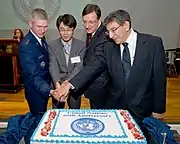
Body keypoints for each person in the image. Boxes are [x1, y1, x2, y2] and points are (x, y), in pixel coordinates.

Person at [56, 9, 167, 129]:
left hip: (142, 109)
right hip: (115, 108)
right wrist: (69, 85)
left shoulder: (152, 44)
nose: (110, 35)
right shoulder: (109, 47)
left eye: (113, 30)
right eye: (108, 31)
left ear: (126, 25)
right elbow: (93, 67)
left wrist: (159, 109)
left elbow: (159, 79)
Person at [19, 8, 56, 115]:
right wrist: (50, 91)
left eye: (45, 27)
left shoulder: (40, 38)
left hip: (44, 88)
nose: (43, 30)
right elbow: (33, 75)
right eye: (39, 26)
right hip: (35, 92)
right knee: (37, 122)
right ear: (31, 24)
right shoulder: (26, 45)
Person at [48, 14, 86, 109]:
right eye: (62, 29)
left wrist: (66, 84)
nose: (65, 33)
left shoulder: (81, 45)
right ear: (58, 30)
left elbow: (78, 67)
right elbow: (53, 66)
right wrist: (59, 88)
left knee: (75, 113)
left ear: (73, 29)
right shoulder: (51, 45)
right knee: (56, 113)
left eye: (68, 29)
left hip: (73, 86)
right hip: (58, 86)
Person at [80, 4, 109, 109]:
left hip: (102, 88)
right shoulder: (91, 31)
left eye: (91, 22)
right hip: (93, 86)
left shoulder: (105, 35)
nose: (87, 25)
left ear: (99, 19)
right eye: (84, 21)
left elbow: (97, 63)